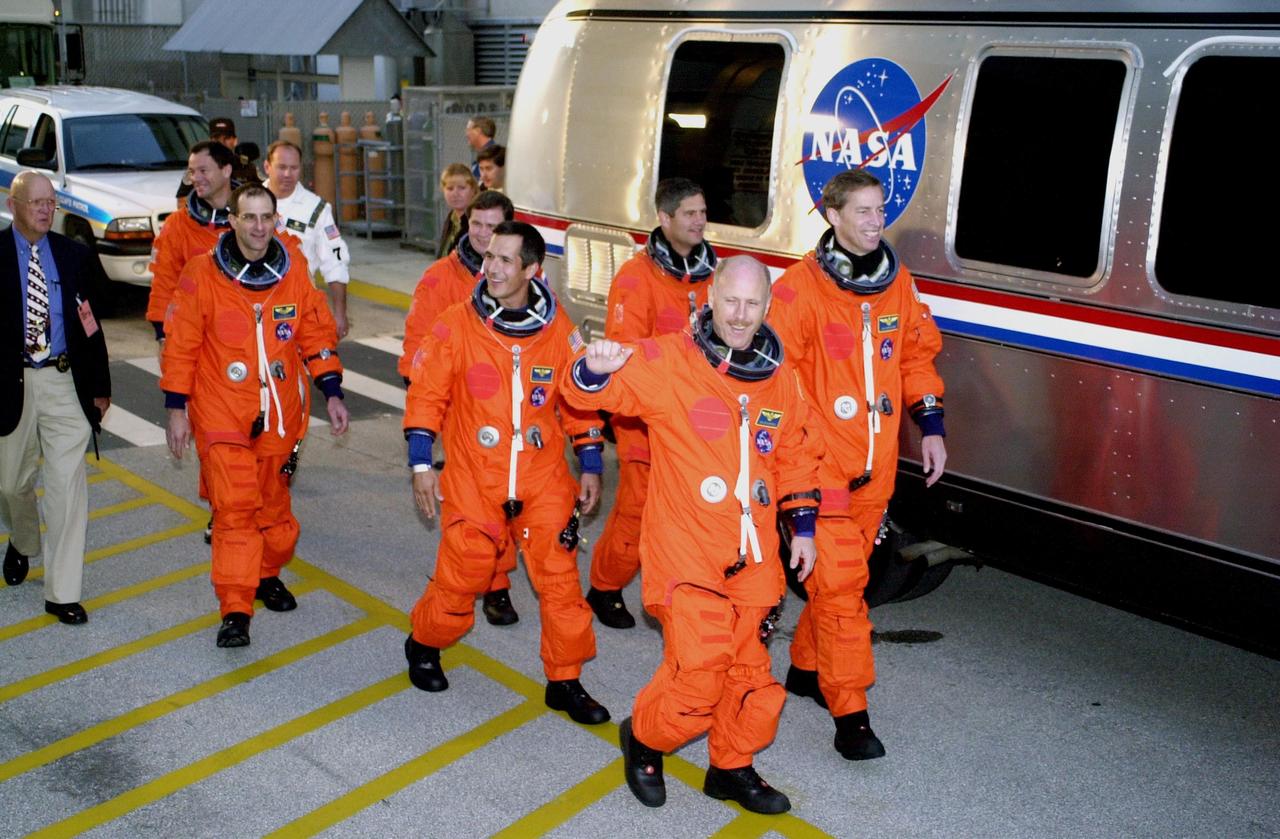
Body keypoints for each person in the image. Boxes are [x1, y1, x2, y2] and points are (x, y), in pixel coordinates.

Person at [563, 255, 823, 815]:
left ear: (767, 308)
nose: (740, 314)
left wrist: (802, 527)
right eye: (730, 301)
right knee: (699, 674)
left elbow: (799, 453)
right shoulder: (670, 359)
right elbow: (587, 394)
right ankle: (646, 739)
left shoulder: (782, 380)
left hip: (753, 556)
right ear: (709, 299)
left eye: (753, 304)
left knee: (751, 676)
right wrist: (595, 368)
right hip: (686, 551)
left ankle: (731, 767)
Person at [402, 221, 610, 727]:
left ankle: (565, 679)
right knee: (465, 572)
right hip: (476, 475)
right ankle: (425, 643)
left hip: (541, 480)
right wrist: (422, 463)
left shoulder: (559, 328)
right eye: (489, 256)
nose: (490, 266)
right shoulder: (457, 324)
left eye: (504, 260)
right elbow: (427, 395)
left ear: (532, 270)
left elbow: (578, 403)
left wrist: (589, 462)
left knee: (559, 581)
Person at [769, 170, 947, 761]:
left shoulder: (898, 285)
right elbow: (777, 385)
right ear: (832, 215)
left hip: (877, 467)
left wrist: (931, 425)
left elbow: (918, 353)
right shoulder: (797, 291)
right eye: (864, 211)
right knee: (844, 592)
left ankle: (803, 670)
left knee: (844, 582)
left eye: (881, 210)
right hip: (821, 470)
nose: (877, 222)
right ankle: (852, 715)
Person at [161, 184, 349, 648]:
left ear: (276, 220)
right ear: (233, 220)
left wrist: (332, 390)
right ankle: (236, 609)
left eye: (267, 217)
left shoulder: (294, 269)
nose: (259, 227)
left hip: (280, 415)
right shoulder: (202, 273)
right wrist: (175, 409)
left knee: (277, 517)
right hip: (221, 410)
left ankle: (265, 573)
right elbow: (181, 345)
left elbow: (314, 330)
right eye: (249, 217)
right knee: (235, 510)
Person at [586, 177, 717, 629]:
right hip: (645, 419)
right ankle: (604, 587)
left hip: (699, 419)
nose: (700, 221)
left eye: (703, 212)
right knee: (637, 514)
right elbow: (625, 357)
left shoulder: (711, 277)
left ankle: (672, 596)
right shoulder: (636, 278)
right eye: (690, 213)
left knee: (690, 517)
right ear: (665, 219)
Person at [399, 189, 519, 625]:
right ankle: (488, 585)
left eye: (494, 227)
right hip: (460, 414)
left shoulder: (526, 279)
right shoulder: (439, 279)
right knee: (473, 505)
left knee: (507, 495)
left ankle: (496, 577)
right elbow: (415, 354)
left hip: (509, 413)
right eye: (477, 225)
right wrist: (427, 423)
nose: (484, 237)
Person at [1, 171, 111, 624]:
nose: (47, 211)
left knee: (68, 489)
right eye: (38, 203)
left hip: (66, 383)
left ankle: (63, 593)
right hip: (13, 384)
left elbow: (91, 325)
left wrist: (101, 387)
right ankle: (24, 540)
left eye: (52, 203)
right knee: (9, 484)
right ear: (14, 205)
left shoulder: (75, 256)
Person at [263, 140, 353, 338]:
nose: (287, 174)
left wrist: (340, 313)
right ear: (267, 166)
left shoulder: (317, 209)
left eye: (293, 168)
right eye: (281, 167)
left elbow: (335, 260)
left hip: (299, 307)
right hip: (254, 305)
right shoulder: (248, 201)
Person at [435, 163, 479, 259]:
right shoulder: (451, 217)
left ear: (473, 190)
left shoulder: (477, 222)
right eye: (450, 188)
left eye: (462, 188)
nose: (455, 194)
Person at [465, 116, 496, 182]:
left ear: (478, 131)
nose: (466, 134)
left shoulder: (491, 155)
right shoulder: (486, 153)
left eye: (468, 130)